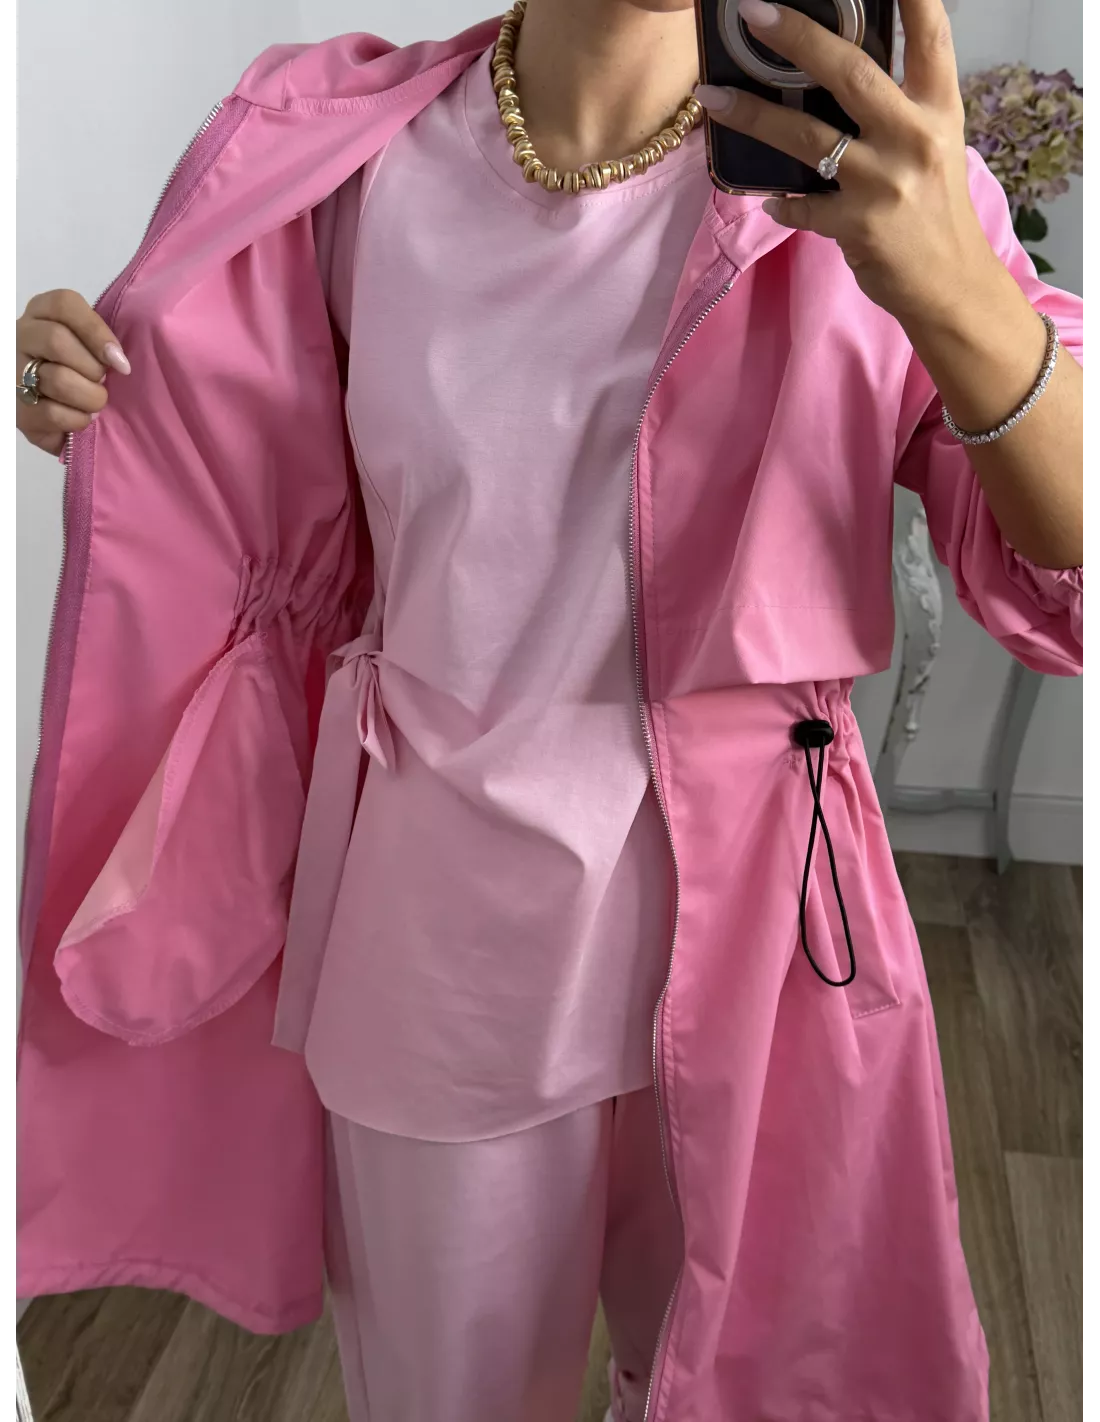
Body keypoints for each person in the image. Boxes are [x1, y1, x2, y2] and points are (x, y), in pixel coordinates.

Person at [15, 2, 1084, 1420]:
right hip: (439, 935)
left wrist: (958, 291)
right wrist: (110, 401)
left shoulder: (873, 178)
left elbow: (1068, 582)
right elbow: (260, 512)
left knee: (777, 1390)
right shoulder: (340, 157)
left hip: (773, 946)